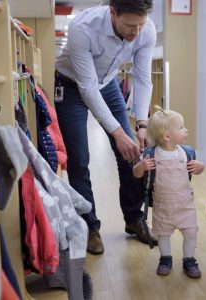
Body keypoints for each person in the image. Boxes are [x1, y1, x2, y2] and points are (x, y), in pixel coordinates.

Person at [54, 0, 157, 255]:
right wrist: (118, 133)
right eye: (130, 25)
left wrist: (141, 124)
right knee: (79, 160)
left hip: (108, 83)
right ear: (113, 13)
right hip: (71, 86)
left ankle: (134, 218)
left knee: (130, 153)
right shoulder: (83, 27)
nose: (136, 33)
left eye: (141, 25)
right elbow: (87, 88)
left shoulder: (146, 29)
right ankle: (89, 226)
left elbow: (143, 79)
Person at [133, 107, 205, 278]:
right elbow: (136, 174)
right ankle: (165, 258)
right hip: (162, 205)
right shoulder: (151, 154)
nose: (185, 130)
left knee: (190, 232)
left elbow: (197, 170)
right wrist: (141, 167)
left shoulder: (185, 152)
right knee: (163, 235)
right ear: (167, 136)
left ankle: (189, 259)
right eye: (181, 127)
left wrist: (200, 167)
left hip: (185, 205)